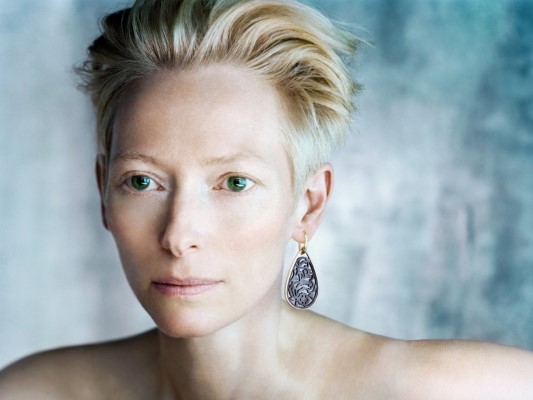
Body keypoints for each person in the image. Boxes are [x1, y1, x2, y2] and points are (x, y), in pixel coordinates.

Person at [1, 0, 532, 398]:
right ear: (103, 192)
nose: (179, 235)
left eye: (234, 182)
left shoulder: (455, 390)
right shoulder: (33, 392)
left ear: (308, 204)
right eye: (142, 182)